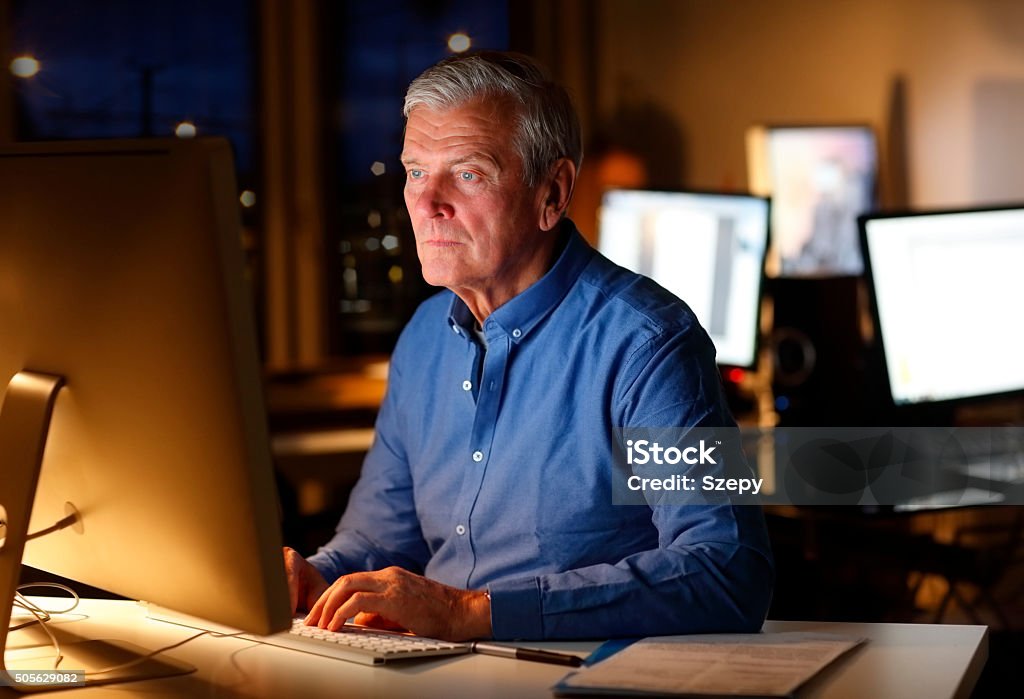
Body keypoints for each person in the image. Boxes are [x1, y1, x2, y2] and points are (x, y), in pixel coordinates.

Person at [284, 51, 773, 642]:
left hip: (575, 674)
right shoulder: (421, 339)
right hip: (429, 674)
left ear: (553, 192)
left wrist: (475, 613)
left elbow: (725, 568)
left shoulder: (650, 343)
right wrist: (316, 577)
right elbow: (378, 538)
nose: (426, 202)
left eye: (467, 173)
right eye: (415, 171)